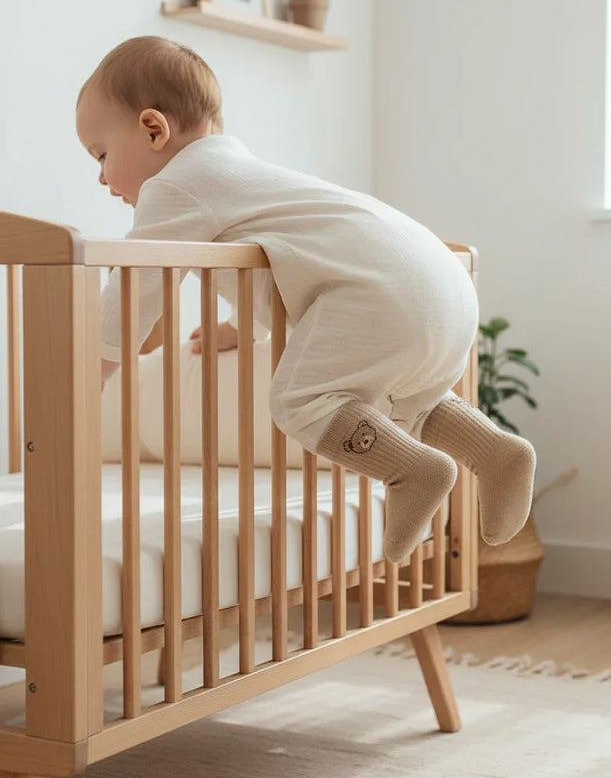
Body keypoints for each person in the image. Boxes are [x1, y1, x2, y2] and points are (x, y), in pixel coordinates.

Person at [76, 36, 536, 563]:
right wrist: (238, 329)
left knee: (299, 400)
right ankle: (496, 452)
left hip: (378, 296)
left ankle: (412, 469)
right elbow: (266, 273)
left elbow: (139, 279)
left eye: (103, 154)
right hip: (441, 281)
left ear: (154, 129)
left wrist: (103, 358)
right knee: (408, 397)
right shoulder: (246, 181)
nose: (101, 178)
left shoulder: (176, 186)